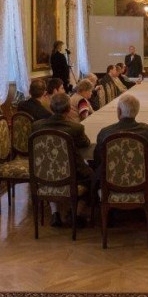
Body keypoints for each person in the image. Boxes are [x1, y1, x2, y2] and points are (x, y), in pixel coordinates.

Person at [31, 93, 94, 227]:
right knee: (94, 178)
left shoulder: (37, 126)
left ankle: (55, 213)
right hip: (71, 174)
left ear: (51, 108)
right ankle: (76, 214)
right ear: (69, 109)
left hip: (44, 173)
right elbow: (85, 143)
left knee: (52, 174)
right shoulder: (75, 128)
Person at [94, 93, 148, 199]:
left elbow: (98, 160)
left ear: (119, 111)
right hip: (144, 187)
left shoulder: (105, 133)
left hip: (110, 187)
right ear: (137, 111)